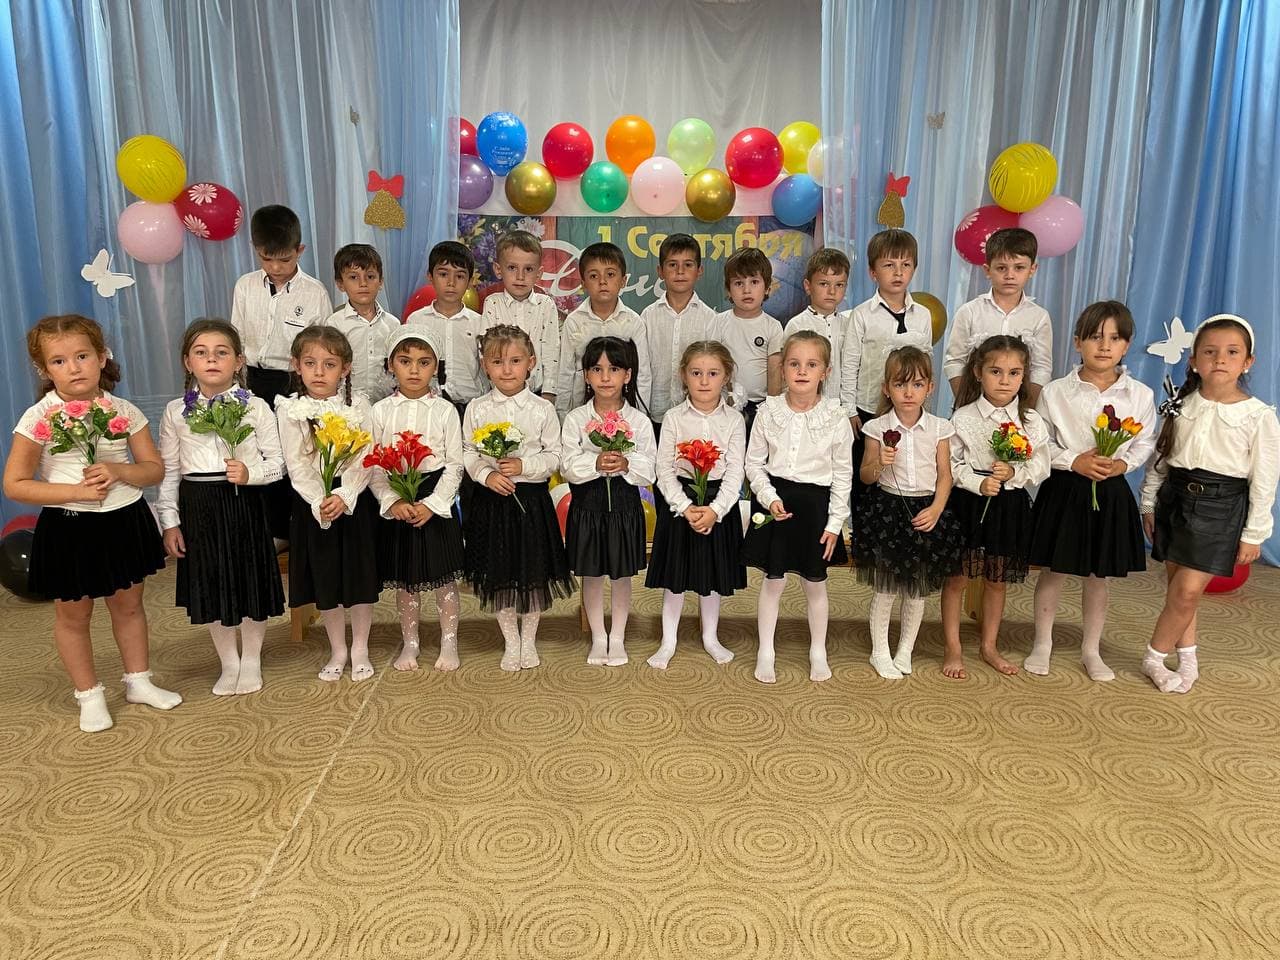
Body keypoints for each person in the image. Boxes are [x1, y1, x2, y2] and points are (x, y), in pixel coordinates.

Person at [3, 315, 179, 731]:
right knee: (73, 616)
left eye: (82, 356)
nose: (74, 368)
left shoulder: (123, 411)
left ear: (102, 357)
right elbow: (15, 484)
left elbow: (153, 469)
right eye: (59, 361)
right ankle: (89, 694)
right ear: (44, 370)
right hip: (70, 526)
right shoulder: (38, 418)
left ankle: (138, 680)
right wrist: (75, 492)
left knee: (129, 606)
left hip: (124, 519)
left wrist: (118, 471)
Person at [1138, 314, 1279, 693]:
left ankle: (1154, 657)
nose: (1220, 359)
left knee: (1187, 592)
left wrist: (1254, 534)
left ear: (1248, 362)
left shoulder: (1259, 416)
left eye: (1232, 352)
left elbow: (1265, 480)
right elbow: (1161, 458)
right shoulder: (1181, 405)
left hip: (1221, 508)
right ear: (1194, 360)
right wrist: (1148, 503)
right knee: (1178, 591)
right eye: (1210, 351)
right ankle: (1188, 657)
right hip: (1175, 501)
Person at [1027, 301, 1155, 680]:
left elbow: (1145, 442)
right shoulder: (1055, 392)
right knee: (1053, 570)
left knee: (1099, 576)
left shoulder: (1140, 395)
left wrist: (1122, 464)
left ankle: (1091, 649)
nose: (1104, 346)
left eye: (1115, 338)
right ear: (1077, 341)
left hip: (1110, 489)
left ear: (1126, 345)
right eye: (1095, 337)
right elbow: (1040, 442)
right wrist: (1073, 460)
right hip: (1065, 489)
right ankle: (1042, 643)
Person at [157, 319, 285, 696]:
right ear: (188, 362)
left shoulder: (256, 407)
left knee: (248, 582)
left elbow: (278, 463)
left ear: (239, 361)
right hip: (199, 506)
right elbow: (168, 471)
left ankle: (252, 659)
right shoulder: (175, 411)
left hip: (243, 502)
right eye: (201, 353)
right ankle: (229, 661)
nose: (211, 360)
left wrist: (251, 473)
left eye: (221, 352)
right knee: (212, 583)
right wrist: (169, 521)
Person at [741, 330, 853, 684]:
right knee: (772, 581)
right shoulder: (769, 411)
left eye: (811, 364)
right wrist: (769, 497)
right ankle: (766, 650)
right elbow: (753, 464)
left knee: (814, 583)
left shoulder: (835, 417)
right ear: (783, 369)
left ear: (825, 372)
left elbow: (843, 475)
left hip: (816, 507)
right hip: (776, 500)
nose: (802, 371)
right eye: (794, 364)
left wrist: (834, 524)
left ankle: (818, 650)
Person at [463, 324, 573, 670]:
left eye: (515, 361)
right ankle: (511, 641)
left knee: (532, 571)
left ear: (531, 362)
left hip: (531, 501)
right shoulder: (477, 408)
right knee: (500, 573)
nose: (507, 370)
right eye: (497, 362)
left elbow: (555, 456)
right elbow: (468, 452)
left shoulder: (542, 409)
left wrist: (525, 465)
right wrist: (487, 475)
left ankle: (529, 639)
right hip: (492, 501)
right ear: (485, 366)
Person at [941, 335, 1050, 679]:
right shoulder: (962, 418)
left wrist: (1014, 473)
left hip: (1008, 506)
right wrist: (978, 483)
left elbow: (1041, 465)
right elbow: (950, 465)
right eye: (996, 371)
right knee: (957, 578)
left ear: (1024, 376)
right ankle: (953, 646)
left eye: (1014, 373)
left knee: (996, 579)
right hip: (968, 504)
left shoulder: (1030, 421)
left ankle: (989, 645)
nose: (1005, 381)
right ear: (978, 372)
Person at [275, 326, 380, 682]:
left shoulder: (358, 405)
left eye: (329, 364)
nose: (319, 372)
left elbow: (366, 456)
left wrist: (344, 495)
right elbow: (296, 463)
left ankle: (360, 646)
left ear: (345, 368)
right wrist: (319, 499)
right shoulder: (290, 409)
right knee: (326, 578)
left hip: (352, 501)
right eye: (310, 363)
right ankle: (338, 649)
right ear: (296, 365)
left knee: (358, 578)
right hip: (313, 503)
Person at [853, 346, 964, 678]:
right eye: (900, 385)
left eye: (917, 385)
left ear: (930, 388)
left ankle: (905, 651)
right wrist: (879, 462)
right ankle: (879, 651)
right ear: (887, 388)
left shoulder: (940, 428)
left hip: (927, 510)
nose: (908, 392)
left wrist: (937, 509)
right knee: (887, 588)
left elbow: (945, 475)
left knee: (916, 590)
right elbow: (866, 476)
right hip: (889, 510)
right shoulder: (876, 428)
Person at [367, 328, 465, 674]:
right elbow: (374, 465)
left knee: (443, 578)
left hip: (434, 499)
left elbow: (455, 464)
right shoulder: (379, 411)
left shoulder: (445, 410)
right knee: (407, 580)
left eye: (424, 363)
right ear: (390, 364)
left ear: (435, 367)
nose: (413, 370)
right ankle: (410, 642)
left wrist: (433, 504)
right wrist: (392, 501)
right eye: (405, 361)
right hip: (399, 499)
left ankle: (449, 641)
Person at [645, 340, 746, 669]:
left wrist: (715, 511)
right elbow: (663, 469)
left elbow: (736, 471)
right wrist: (684, 507)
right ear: (683, 375)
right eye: (696, 373)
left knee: (710, 576)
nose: (704, 381)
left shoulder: (734, 420)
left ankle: (710, 637)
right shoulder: (673, 418)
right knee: (675, 577)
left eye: (713, 373)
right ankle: (668, 640)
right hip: (680, 504)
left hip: (718, 505)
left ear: (726, 377)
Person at [561, 336, 656, 666]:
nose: (605, 377)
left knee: (621, 575)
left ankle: (617, 637)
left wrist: (626, 464)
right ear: (586, 375)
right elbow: (567, 465)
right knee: (591, 574)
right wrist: (595, 463)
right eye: (597, 369)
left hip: (625, 509)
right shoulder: (576, 419)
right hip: (588, 507)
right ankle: (598, 637)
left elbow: (650, 469)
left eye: (614, 369)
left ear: (627, 375)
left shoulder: (639, 421)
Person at [841, 229, 932, 505]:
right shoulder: (861, 315)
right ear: (873, 272)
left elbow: (925, 364)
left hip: (906, 411)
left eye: (906, 265)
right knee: (866, 478)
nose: (898, 272)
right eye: (889, 265)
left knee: (901, 473)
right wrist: (849, 410)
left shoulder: (922, 315)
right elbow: (850, 364)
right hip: (868, 409)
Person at [230, 204, 332, 403]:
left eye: (285, 260)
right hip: (249, 378)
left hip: (294, 381)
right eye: (266, 259)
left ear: (299, 250)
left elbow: (324, 344)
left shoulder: (316, 293)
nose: (275, 267)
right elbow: (237, 336)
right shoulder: (245, 285)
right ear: (255, 248)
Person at [942, 227, 1053, 406]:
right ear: (987, 270)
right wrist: (966, 404)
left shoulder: (1038, 317)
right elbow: (954, 362)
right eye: (1001, 268)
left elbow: (1041, 368)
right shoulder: (969, 312)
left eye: (1019, 268)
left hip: (1019, 407)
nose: (1010, 275)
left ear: (1032, 269)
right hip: (973, 403)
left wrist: (1026, 410)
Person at [639, 233, 722, 433]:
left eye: (688, 265)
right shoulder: (648, 316)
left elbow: (714, 368)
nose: (680, 271)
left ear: (699, 270)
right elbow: (642, 369)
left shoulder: (709, 318)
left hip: (695, 415)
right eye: (672, 265)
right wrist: (641, 413)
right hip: (654, 414)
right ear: (660, 271)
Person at [556, 242, 649, 418]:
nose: (602, 281)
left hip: (624, 412)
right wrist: (562, 416)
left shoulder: (633, 322)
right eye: (593, 276)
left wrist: (639, 417)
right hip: (582, 409)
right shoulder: (574, 321)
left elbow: (642, 374)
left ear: (623, 281)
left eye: (610, 274)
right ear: (583, 283)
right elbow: (565, 373)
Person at [405, 240, 488, 421]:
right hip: (428, 406)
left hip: (471, 407)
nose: (451, 283)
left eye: (460, 276)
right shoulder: (416, 321)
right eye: (443, 274)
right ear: (430, 276)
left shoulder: (480, 323)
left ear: (470, 281)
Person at [481, 230, 559, 403]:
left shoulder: (545, 305)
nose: (520, 276)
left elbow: (551, 352)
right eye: (512, 268)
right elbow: (486, 350)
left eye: (528, 269)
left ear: (539, 273)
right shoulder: (493, 303)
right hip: (499, 392)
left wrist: (550, 391)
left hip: (537, 393)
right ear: (498, 270)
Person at [716, 246, 784, 436]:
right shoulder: (718, 323)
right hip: (724, 405)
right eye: (738, 283)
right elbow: (713, 365)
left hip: (760, 407)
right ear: (728, 290)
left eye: (754, 282)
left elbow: (775, 372)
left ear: (767, 288)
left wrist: (772, 410)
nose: (747, 290)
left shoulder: (773, 326)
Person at [325, 243, 399, 402]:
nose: (363, 283)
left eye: (370, 277)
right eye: (353, 277)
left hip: (385, 403)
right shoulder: (334, 324)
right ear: (340, 284)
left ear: (381, 282)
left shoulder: (393, 324)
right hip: (346, 404)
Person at [788, 247, 850, 403]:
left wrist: (849, 408)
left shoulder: (849, 325)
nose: (832, 291)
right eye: (824, 284)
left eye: (839, 285)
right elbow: (788, 370)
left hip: (840, 405)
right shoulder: (796, 325)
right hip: (805, 405)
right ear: (808, 286)